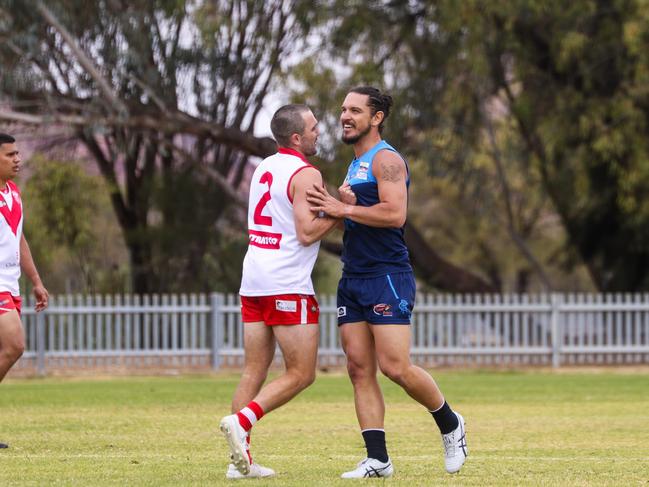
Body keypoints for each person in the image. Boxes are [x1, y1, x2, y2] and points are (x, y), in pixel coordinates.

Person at [306, 87, 468, 478]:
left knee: (395, 367)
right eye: (343, 109)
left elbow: (395, 215)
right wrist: (343, 205)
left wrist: (343, 206)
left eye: (355, 110)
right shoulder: (355, 163)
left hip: (387, 276)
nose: (345, 116)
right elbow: (357, 212)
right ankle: (378, 458)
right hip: (353, 277)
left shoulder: (387, 160)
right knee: (359, 368)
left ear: (376, 118)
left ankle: (450, 423)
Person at [219, 105, 338, 479]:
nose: (320, 132)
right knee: (302, 373)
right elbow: (306, 232)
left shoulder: (264, 168)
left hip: (253, 278)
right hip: (286, 282)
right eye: (314, 128)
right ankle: (241, 421)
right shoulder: (307, 173)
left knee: (254, 369)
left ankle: (240, 462)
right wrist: (341, 210)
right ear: (297, 138)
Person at [0, 133, 49, 449]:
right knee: (15, 345)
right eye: (9, 155)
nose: (18, 159)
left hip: (11, 283)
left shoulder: (14, 193)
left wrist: (36, 281)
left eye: (18, 154)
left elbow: (19, 239)